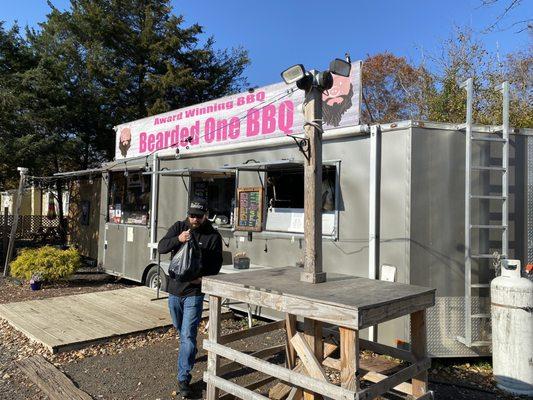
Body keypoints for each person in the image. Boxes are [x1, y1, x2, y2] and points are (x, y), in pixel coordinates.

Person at [158, 199, 223, 398]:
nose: (194, 219)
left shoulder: (213, 236)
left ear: (205, 215)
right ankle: (190, 352)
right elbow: (162, 247)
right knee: (180, 329)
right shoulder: (180, 227)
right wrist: (178, 239)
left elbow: (215, 266)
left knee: (187, 335)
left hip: (194, 293)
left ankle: (183, 378)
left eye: (198, 215)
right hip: (174, 290)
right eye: (191, 215)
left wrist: (201, 280)